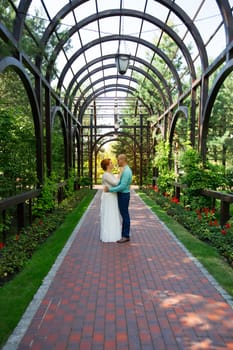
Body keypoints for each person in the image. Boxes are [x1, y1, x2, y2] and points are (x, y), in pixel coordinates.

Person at [104, 154, 132, 243]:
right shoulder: (123, 170)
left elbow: (122, 186)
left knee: (125, 215)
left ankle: (125, 236)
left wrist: (110, 190)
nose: (117, 162)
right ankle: (124, 234)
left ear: (123, 160)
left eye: (118, 160)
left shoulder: (126, 171)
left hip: (124, 195)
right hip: (122, 195)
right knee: (124, 214)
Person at [100, 158, 122, 242]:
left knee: (113, 214)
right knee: (109, 215)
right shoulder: (106, 175)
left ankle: (114, 234)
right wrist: (120, 173)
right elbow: (116, 183)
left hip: (112, 196)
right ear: (107, 166)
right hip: (108, 197)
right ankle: (109, 236)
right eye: (111, 163)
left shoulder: (110, 173)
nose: (112, 164)